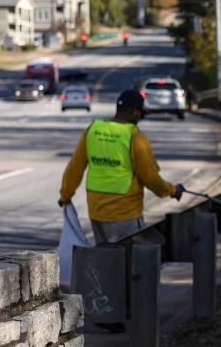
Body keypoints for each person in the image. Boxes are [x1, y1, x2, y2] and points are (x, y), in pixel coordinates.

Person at [59, 89, 185, 245]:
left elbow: (74, 168)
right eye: (140, 113)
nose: (140, 117)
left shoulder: (93, 130)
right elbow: (151, 178)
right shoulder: (134, 137)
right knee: (130, 265)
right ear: (134, 112)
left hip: (97, 215)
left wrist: (65, 195)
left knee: (107, 263)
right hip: (125, 216)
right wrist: (173, 190)